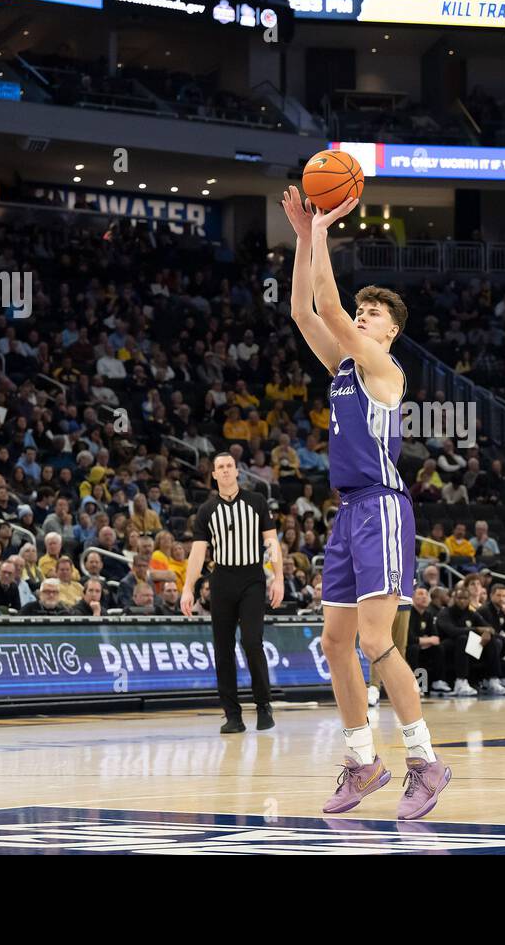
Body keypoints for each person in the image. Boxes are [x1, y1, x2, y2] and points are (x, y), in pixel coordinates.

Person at [281, 184, 447, 819]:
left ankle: (425, 761)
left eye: (372, 313)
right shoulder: (343, 368)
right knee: (333, 642)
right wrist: (303, 238)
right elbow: (304, 310)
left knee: (377, 642)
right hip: (349, 511)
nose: (360, 315)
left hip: (382, 506)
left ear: (391, 332)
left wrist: (321, 226)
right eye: (362, 310)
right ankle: (362, 761)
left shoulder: (383, 369)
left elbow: (327, 301)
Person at [181, 452, 283, 734]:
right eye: (220, 468)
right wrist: (187, 588)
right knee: (222, 649)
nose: (225, 471)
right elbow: (198, 553)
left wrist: (278, 579)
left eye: (229, 466)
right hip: (221, 580)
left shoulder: (257, 502)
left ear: (237, 471)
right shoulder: (206, 510)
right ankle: (232, 715)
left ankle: (264, 705)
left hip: (252, 578)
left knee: (252, 642)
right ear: (213, 475)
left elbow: (272, 543)